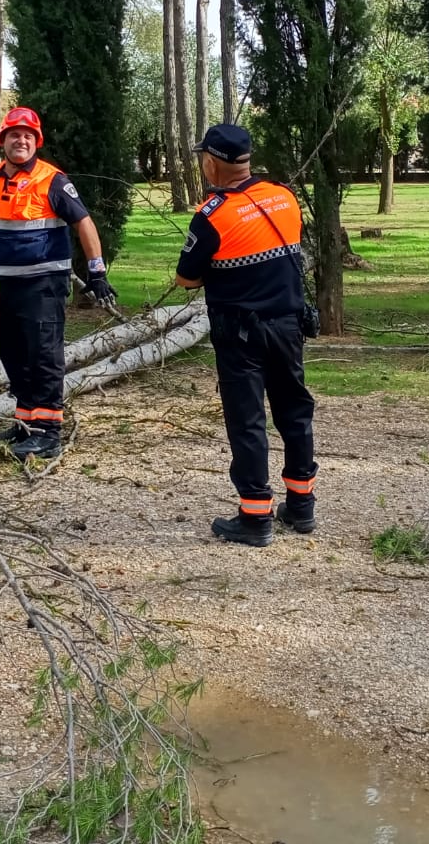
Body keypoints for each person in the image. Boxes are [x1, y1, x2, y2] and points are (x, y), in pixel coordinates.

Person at [174, 123, 317, 547]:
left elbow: (186, 279)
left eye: (203, 157)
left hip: (240, 332)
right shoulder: (284, 197)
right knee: (294, 411)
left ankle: (255, 516)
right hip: (288, 325)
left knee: (248, 419)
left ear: (213, 162)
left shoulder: (211, 216)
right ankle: (302, 506)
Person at [0, 106, 117, 460]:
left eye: (28, 136)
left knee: (43, 355)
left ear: (36, 142)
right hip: (8, 283)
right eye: (14, 135)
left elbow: (85, 224)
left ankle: (48, 432)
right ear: (1, 140)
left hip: (44, 284)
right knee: (13, 354)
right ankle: (26, 421)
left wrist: (97, 272)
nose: (21, 140)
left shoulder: (52, 180)